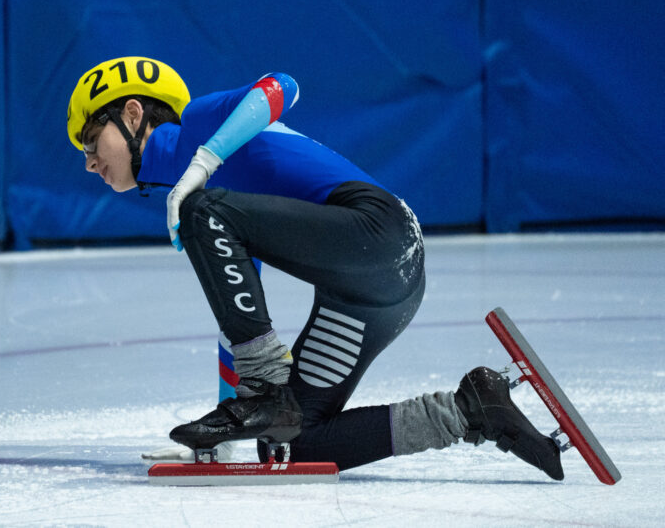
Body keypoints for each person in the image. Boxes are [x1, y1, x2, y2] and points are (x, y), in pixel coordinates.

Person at [66, 56, 563, 478]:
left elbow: (282, 86)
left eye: (91, 141)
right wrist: (226, 435)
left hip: (379, 232)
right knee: (288, 441)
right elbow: (237, 319)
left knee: (203, 209)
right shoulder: (211, 208)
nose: (89, 163)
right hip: (376, 288)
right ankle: (470, 410)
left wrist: (202, 162)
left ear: (132, 115)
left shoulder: (201, 127)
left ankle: (267, 392)